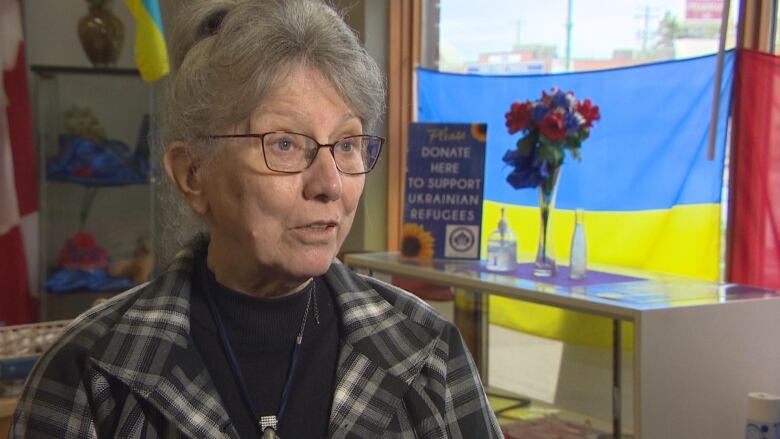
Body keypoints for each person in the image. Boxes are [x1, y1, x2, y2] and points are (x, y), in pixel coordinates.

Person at [11, 1, 502, 437]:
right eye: (285, 144)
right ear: (192, 174)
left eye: (348, 144)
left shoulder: (426, 350)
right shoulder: (89, 371)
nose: (329, 184)